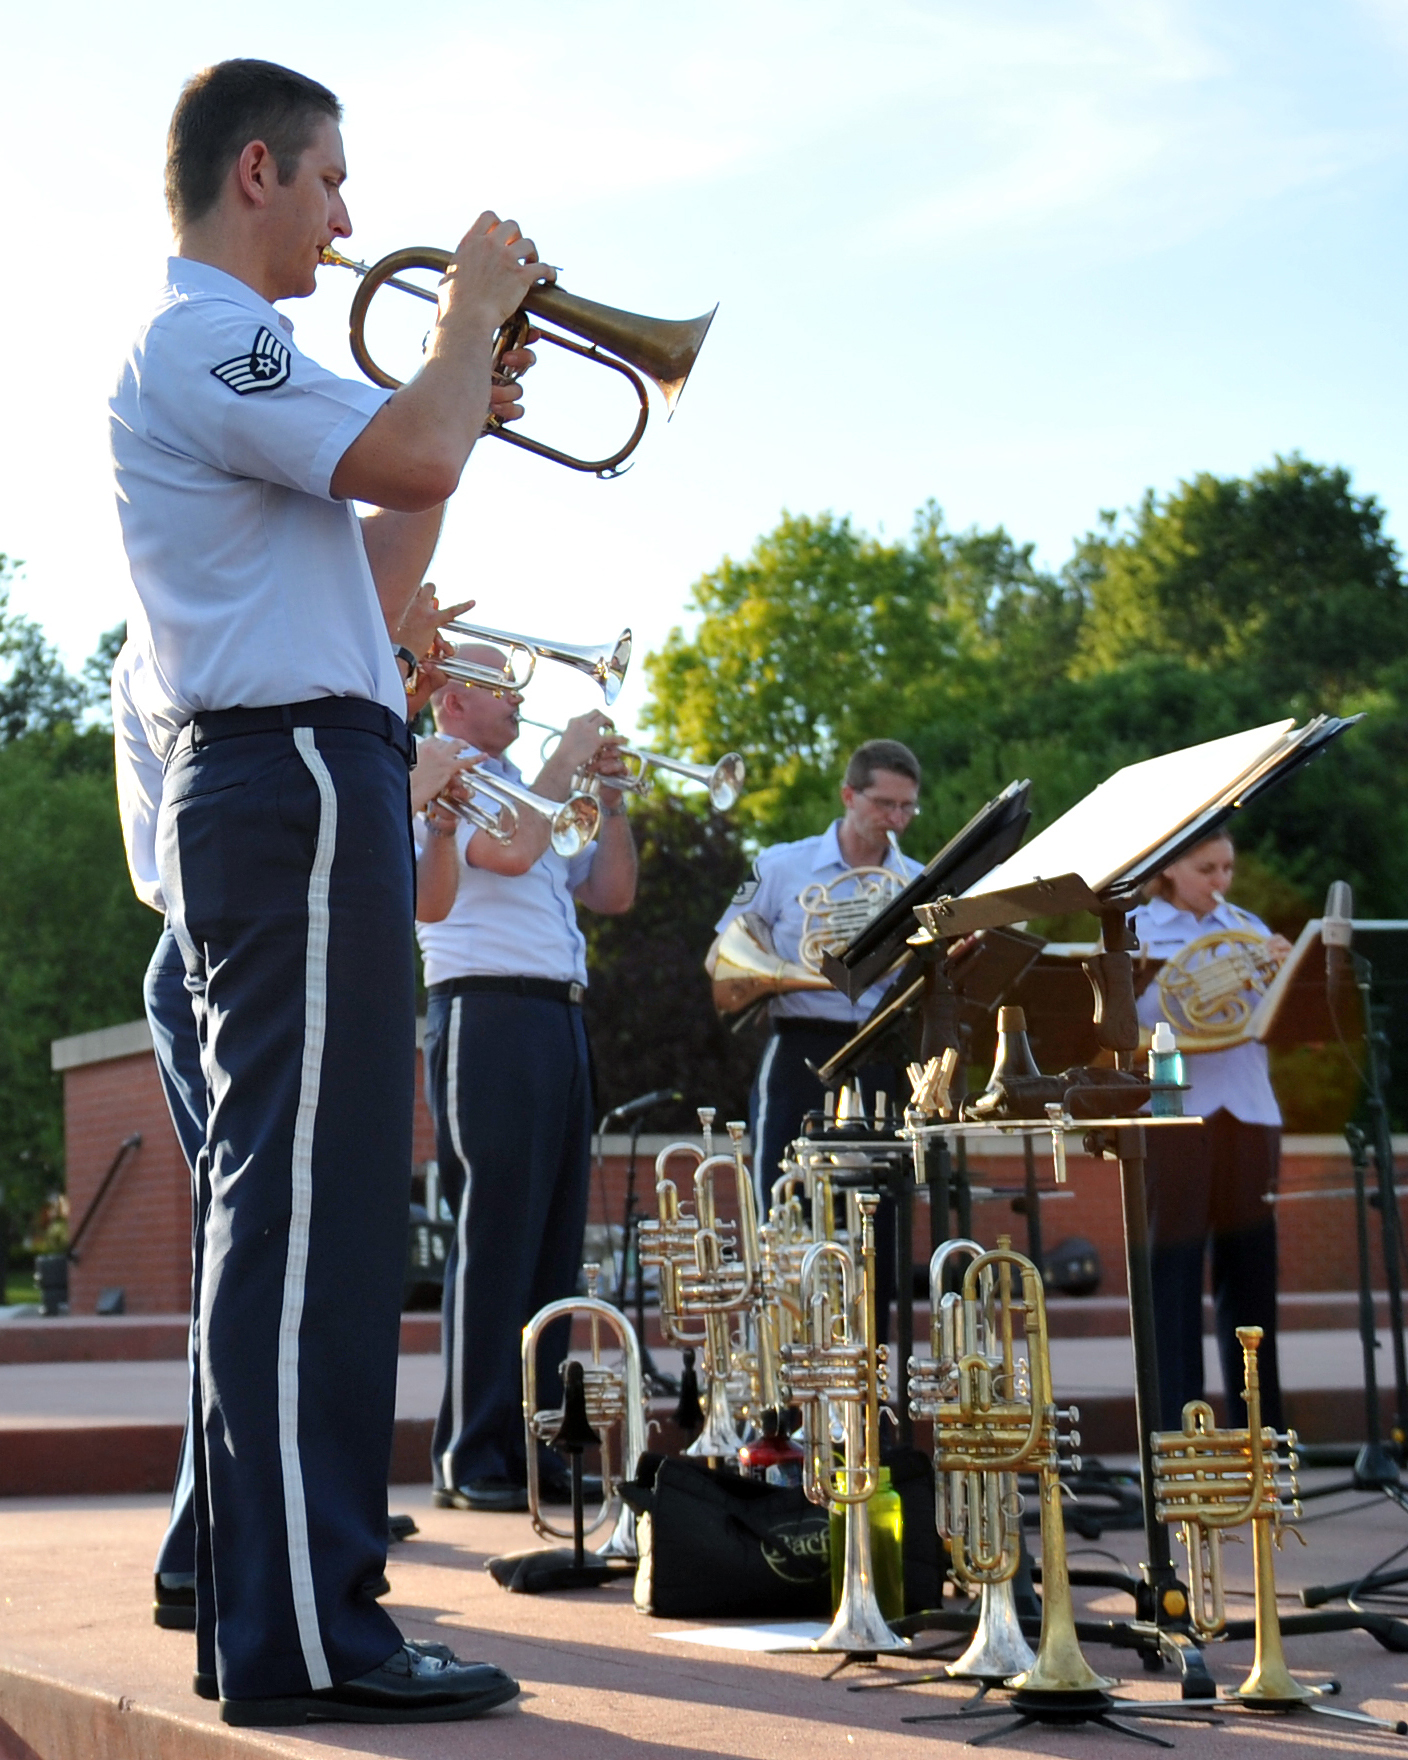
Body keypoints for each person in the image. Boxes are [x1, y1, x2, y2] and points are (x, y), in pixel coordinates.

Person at [108, 57, 546, 1726]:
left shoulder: (244, 354)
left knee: (332, 1204)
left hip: (318, 761)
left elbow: (374, 560)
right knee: (301, 1216)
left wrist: (461, 400)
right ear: (256, 172)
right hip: (286, 778)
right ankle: (301, 1631)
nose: (356, 220)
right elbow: (405, 458)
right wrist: (470, 323)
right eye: (334, 182)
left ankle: (302, 1607)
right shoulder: (214, 334)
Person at [414, 647, 637, 1511]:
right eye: (503, 688)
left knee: (553, 1246)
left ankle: (538, 1448)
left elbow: (610, 891)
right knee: (497, 1237)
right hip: (486, 1012)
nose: (519, 702)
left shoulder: (526, 785)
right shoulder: (445, 774)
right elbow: (505, 858)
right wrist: (565, 760)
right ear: (457, 699)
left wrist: (610, 799)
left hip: (557, 1014)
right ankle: (471, 1456)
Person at [711, 740, 924, 1205]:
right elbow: (723, 951)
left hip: (880, 1048)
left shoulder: (917, 882)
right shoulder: (778, 865)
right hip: (800, 1045)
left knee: (882, 1209)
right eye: (885, 804)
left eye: (907, 807)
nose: (897, 819)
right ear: (849, 796)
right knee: (784, 1194)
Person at [1133, 831, 1292, 1434]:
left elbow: (1272, 1016)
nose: (1221, 880)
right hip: (1174, 1112)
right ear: (1169, 867)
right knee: (1171, 1277)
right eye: (1206, 869)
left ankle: (1263, 1432)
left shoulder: (1246, 925)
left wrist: (1282, 972)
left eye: (1227, 866)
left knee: (1252, 1276)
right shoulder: (1138, 929)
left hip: (1248, 1109)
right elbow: (1134, 1023)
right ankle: (1177, 1433)